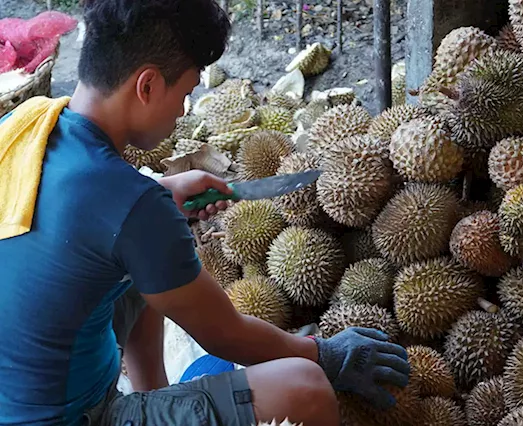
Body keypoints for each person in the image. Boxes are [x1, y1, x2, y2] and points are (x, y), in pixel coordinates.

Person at [0, 1, 411, 425]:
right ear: (147, 85)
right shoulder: (136, 209)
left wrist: (161, 192)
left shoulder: (27, 122)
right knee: (304, 388)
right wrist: (327, 353)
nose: (183, 109)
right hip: (72, 416)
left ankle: (153, 394)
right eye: (186, 92)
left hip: (17, 395)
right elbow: (225, 334)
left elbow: (69, 209)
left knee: (144, 263)